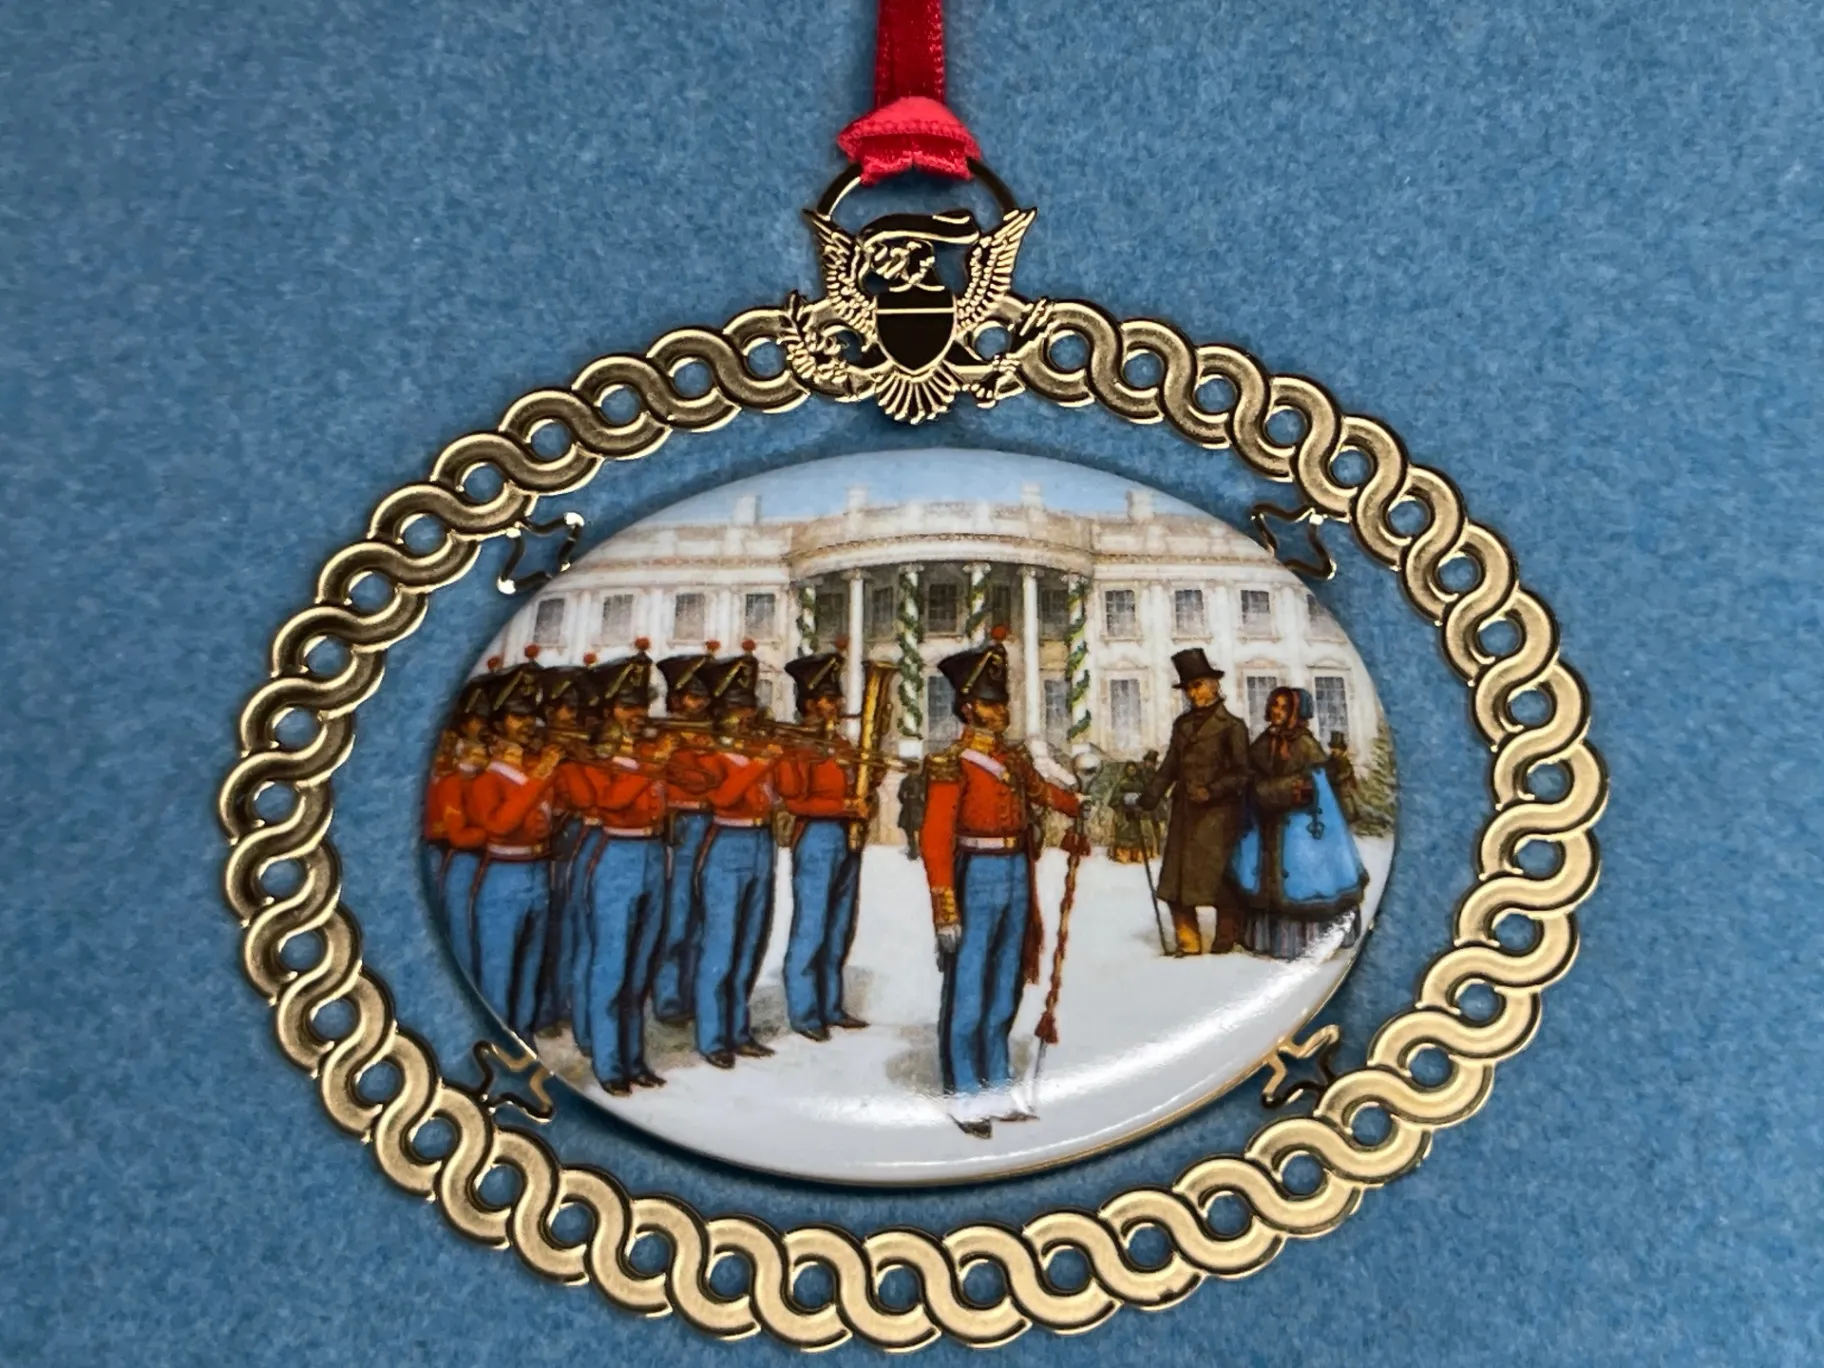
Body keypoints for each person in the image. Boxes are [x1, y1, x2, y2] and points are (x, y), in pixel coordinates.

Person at [920, 628, 1081, 1138]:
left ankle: (998, 1083)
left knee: (1006, 985)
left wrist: (1078, 805)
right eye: (991, 703)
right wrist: (945, 907)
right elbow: (934, 840)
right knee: (969, 988)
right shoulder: (951, 764)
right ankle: (966, 1093)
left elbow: (1044, 792)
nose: (1002, 710)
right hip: (975, 873)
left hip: (1015, 873)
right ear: (968, 708)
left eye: (1003, 700)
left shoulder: (1013, 760)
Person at [556, 643, 674, 1094]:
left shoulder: (644, 753)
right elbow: (608, 802)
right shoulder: (591, 756)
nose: (637, 714)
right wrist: (651, 766)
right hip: (613, 853)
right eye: (627, 706)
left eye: (641, 704)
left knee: (641, 965)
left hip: (651, 854)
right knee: (611, 964)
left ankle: (633, 1058)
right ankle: (608, 1064)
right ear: (608, 710)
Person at [691, 643, 783, 1068]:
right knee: (720, 946)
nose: (746, 716)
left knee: (750, 943)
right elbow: (722, 797)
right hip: (726, 842)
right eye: (735, 709)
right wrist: (760, 764)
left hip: (762, 843)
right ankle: (712, 1038)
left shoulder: (754, 749)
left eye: (748, 707)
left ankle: (738, 1030)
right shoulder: (708, 753)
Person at [1228, 688, 1370, 960]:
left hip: (1301, 828)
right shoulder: (1264, 741)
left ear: (1296, 712)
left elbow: (1314, 783)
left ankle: (1306, 943)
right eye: (1274, 705)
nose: (1277, 712)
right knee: (1262, 877)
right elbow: (1250, 773)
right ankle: (1268, 939)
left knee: (1303, 881)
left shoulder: (1305, 744)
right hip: (1265, 824)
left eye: (1284, 707)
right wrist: (1257, 788)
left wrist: (1277, 790)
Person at [463, 647, 562, 1036]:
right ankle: (498, 1047)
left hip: (538, 872)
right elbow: (501, 824)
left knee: (530, 971)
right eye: (518, 716)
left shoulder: (537, 772)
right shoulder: (486, 779)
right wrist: (540, 777)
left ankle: (523, 1043)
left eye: (530, 716)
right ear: (497, 725)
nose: (528, 724)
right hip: (503, 874)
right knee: (498, 973)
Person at [776, 649, 872, 1042]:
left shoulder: (841, 744)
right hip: (816, 836)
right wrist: (846, 806)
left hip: (846, 837)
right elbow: (793, 800)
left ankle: (831, 1006)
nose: (839, 704)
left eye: (837, 697)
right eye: (830, 698)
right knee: (812, 925)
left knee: (839, 926)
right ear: (810, 703)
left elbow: (859, 785)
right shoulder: (796, 746)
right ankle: (803, 1011)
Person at [1136, 649, 1252, 957]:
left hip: (1219, 817)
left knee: (1221, 882)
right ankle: (1188, 941)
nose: (1193, 693)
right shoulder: (1182, 725)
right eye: (1188, 687)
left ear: (1214, 685)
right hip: (1185, 813)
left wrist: (1211, 791)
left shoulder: (1233, 726)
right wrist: (1147, 799)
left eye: (1198, 685)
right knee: (1177, 882)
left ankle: (1226, 937)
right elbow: (1169, 768)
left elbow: (1242, 773)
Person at [649, 642, 720, 1024]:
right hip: (680, 826)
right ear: (676, 699)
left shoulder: (710, 736)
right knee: (677, 918)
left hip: (712, 825)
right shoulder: (661, 738)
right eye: (693, 696)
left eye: (704, 697)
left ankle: (693, 994)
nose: (701, 704)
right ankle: (668, 998)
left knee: (704, 917)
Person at [1107, 750, 1160, 864]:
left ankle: (1141, 854)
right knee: (1124, 834)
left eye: (1133, 769)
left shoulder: (1141, 781)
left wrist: (1140, 800)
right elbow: (1113, 798)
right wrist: (1124, 798)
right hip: (1124, 814)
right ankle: (1123, 855)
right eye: (1129, 769)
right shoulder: (1121, 782)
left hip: (1139, 813)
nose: (1131, 771)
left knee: (1142, 834)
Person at [895, 758, 927, 861]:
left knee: (911, 830)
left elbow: (900, 796)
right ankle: (914, 850)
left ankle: (914, 850)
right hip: (916, 808)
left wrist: (906, 800)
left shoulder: (907, 781)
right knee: (913, 830)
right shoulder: (920, 781)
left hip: (911, 807)